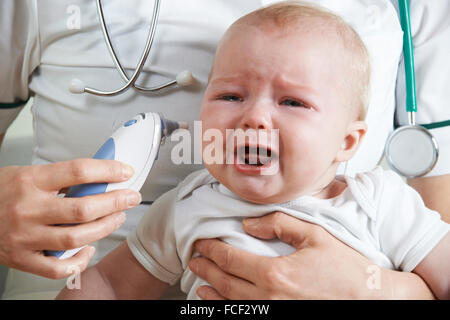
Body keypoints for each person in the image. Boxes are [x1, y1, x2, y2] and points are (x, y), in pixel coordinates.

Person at [1, 0, 449, 300]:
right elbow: (110, 284)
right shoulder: (189, 205)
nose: (253, 117)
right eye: (230, 97)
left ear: (348, 143)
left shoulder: (380, 202)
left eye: (292, 102)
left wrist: (378, 291)